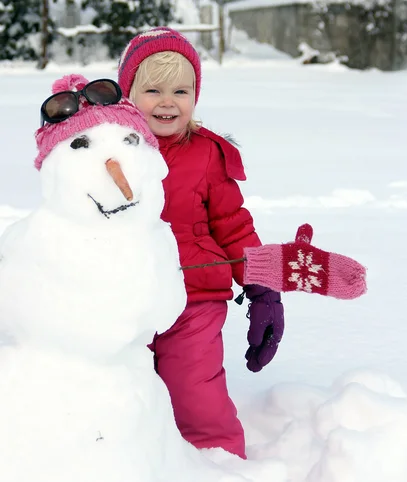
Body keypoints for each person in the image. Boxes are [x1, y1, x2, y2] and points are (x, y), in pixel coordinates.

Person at [117, 27, 285, 459]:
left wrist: (263, 288)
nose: (168, 101)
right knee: (120, 391)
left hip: (194, 301)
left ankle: (219, 460)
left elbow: (234, 225)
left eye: (181, 90)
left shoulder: (208, 154)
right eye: (152, 89)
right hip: (124, 299)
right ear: (127, 92)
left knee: (194, 391)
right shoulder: (112, 151)